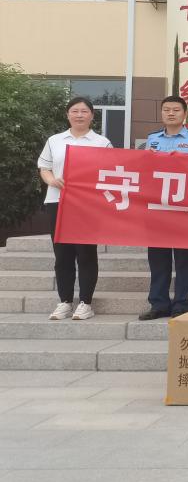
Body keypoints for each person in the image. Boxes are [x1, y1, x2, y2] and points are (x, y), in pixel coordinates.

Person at [37, 96, 113, 320]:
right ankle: (65, 302)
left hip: (87, 205)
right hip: (57, 201)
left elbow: (110, 171)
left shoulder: (102, 142)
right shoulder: (55, 140)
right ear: (67, 114)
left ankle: (86, 303)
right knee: (62, 254)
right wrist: (52, 181)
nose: (79, 115)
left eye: (84, 111)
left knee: (86, 252)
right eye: (75, 111)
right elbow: (44, 167)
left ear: (92, 115)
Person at [140, 96, 188, 321]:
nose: (171, 113)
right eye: (167, 110)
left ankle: (181, 302)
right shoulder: (152, 140)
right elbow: (143, 170)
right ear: (161, 113)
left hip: (185, 207)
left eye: (176, 110)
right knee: (158, 258)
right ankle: (158, 303)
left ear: (185, 114)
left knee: (184, 258)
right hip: (157, 206)